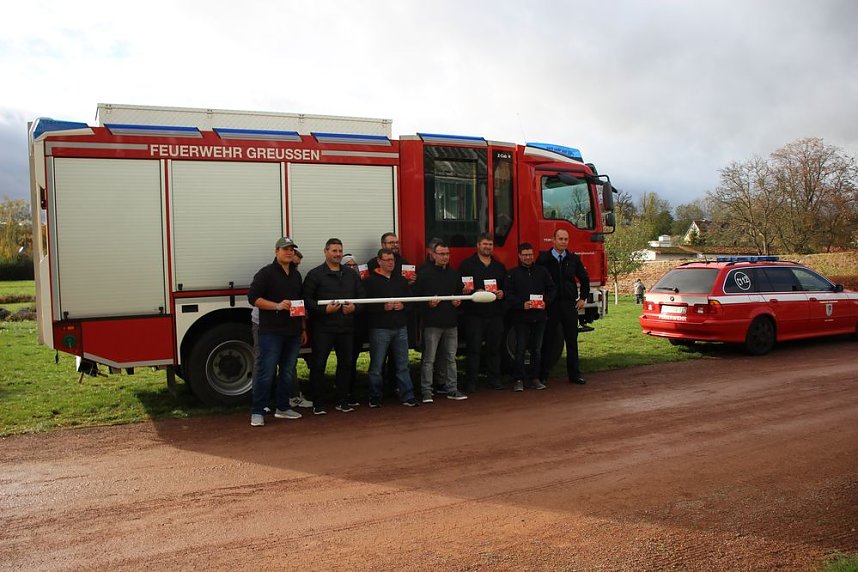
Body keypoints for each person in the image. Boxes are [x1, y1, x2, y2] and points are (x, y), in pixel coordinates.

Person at [247, 237, 307, 427]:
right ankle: (258, 410)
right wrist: (277, 306)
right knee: (266, 371)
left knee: (288, 371)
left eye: (291, 249)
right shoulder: (266, 273)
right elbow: (253, 298)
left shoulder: (296, 276)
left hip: (293, 331)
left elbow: (300, 303)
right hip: (271, 331)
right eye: (285, 249)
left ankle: (283, 407)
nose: (289, 252)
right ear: (276, 251)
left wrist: (303, 328)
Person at [303, 238, 366, 415]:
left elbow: (362, 298)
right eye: (334, 251)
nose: (337, 254)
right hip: (323, 328)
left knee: (346, 364)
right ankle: (318, 402)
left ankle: (342, 400)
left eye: (340, 251)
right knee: (318, 365)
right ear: (325, 252)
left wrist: (355, 308)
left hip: (346, 328)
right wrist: (324, 310)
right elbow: (307, 300)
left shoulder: (351, 274)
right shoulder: (315, 275)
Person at [364, 248, 419, 408]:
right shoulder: (369, 282)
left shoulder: (401, 280)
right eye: (387, 260)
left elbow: (411, 301)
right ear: (379, 261)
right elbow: (364, 306)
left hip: (400, 328)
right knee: (377, 366)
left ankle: (407, 396)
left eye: (392, 260)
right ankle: (375, 397)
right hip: (379, 329)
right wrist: (382, 307)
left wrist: (403, 305)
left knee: (403, 364)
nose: (390, 263)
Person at [415, 241, 467, 403]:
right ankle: (426, 391)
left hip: (451, 323)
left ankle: (452, 389)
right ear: (433, 254)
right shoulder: (424, 274)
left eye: (447, 254)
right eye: (442, 254)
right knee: (429, 359)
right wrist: (428, 303)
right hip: (432, 324)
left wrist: (459, 302)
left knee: (451, 358)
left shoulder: (453, 274)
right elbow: (416, 298)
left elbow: (459, 294)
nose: (445, 257)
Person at [537, 228, 590, 385]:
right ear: (553, 240)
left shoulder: (573, 259)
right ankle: (543, 375)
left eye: (566, 239)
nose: (563, 242)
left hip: (569, 305)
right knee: (549, 340)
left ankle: (575, 375)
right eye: (560, 239)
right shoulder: (544, 259)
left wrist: (583, 298)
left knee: (572, 340)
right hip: (551, 305)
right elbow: (537, 279)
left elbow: (584, 278)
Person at [458, 232, 507, 392]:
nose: (488, 247)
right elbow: (462, 288)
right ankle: (471, 382)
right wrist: (472, 291)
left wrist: (502, 293)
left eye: (490, 244)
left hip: (494, 315)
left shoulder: (499, 267)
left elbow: (506, 288)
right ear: (478, 245)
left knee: (494, 349)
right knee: (474, 349)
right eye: (485, 244)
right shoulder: (467, 265)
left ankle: (494, 379)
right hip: (474, 315)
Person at [504, 243, 556, 391]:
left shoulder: (542, 271)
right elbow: (509, 294)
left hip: (539, 317)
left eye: (530, 254)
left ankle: (535, 378)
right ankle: (518, 379)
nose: (528, 257)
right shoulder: (512, 274)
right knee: (520, 350)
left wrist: (546, 301)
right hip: (521, 318)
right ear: (519, 256)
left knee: (537, 350)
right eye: (525, 255)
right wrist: (522, 304)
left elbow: (552, 288)